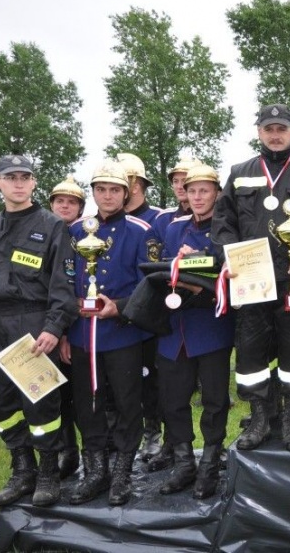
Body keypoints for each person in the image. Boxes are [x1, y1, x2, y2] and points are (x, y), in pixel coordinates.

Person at [0, 154, 78, 507]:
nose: (18, 183)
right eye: (11, 177)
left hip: (33, 323)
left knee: (40, 402)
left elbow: (63, 285)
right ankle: (23, 470)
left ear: (34, 182)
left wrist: (54, 327)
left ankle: (48, 472)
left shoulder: (52, 226)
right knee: (2, 403)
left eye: (25, 177)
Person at [212, 103, 290, 452]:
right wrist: (230, 257)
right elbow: (223, 223)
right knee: (250, 353)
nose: (275, 135)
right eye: (269, 129)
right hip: (252, 280)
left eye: (281, 129)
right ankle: (260, 418)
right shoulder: (239, 172)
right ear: (259, 132)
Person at [65, 160, 160, 506]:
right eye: (101, 189)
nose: (107, 196)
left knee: (127, 402)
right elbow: (62, 280)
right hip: (81, 335)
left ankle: (122, 472)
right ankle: (95, 471)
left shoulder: (141, 231)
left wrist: (118, 306)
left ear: (126, 192)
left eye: (114, 190)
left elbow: (150, 284)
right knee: (86, 403)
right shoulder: (75, 230)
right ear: (92, 192)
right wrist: (67, 322)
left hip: (123, 334)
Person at [157, 164, 235, 498]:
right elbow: (161, 268)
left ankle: (210, 463)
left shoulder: (227, 227)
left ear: (217, 193)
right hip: (175, 328)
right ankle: (184, 462)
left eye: (205, 190)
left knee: (215, 400)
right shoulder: (173, 228)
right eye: (192, 191)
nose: (198, 197)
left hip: (210, 325)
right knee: (173, 400)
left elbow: (232, 268)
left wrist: (200, 261)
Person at [115, 152, 166, 466]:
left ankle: (153, 432)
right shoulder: (104, 220)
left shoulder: (158, 218)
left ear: (135, 186)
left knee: (152, 379)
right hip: (115, 316)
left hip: (149, 313)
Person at [48, 176, 86, 480]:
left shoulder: (84, 235)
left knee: (80, 392)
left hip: (77, 323)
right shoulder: (43, 233)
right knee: (54, 393)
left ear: (80, 208)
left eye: (71, 202)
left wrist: (66, 331)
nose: (65, 206)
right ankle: (65, 449)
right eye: (59, 201)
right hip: (44, 323)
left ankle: (97, 451)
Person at [152, 153, 202, 241]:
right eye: (175, 181)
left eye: (185, 181)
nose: (179, 186)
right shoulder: (163, 219)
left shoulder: (214, 219)